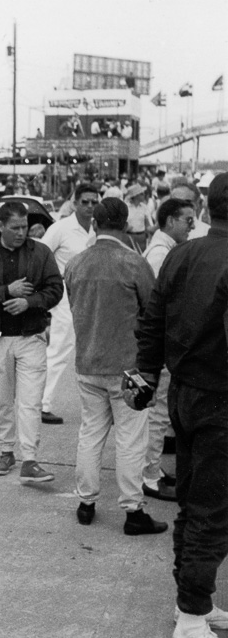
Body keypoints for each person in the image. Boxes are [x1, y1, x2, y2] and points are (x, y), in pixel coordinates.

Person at [128, 172, 228, 638]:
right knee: (214, 510)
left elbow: (151, 320)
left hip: (184, 395)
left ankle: (193, 603)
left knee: (193, 502)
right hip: (220, 402)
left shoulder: (182, 253)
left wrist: (147, 374)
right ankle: (190, 618)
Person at [64, 198, 166, 535]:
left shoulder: (76, 263)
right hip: (128, 367)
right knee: (130, 440)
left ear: (94, 223)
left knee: (91, 435)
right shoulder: (133, 263)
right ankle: (132, 510)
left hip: (87, 362)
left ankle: (86, 502)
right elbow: (153, 313)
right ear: (124, 224)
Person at [0, 199, 63, 482]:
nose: (22, 232)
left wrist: (29, 302)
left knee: (30, 402)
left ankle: (30, 460)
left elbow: (56, 289)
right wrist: (6, 291)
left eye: (25, 227)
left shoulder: (40, 252)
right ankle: (7, 451)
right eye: (15, 227)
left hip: (31, 336)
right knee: (3, 400)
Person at [139, 197, 196, 502]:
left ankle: (153, 469)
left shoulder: (165, 249)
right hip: (162, 346)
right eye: (188, 220)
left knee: (159, 414)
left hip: (161, 344)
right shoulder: (161, 254)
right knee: (158, 414)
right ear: (171, 221)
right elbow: (163, 306)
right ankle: (148, 476)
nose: (192, 226)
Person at [39, 182, 98, 425]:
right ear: (74, 203)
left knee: (92, 350)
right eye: (85, 202)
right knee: (60, 349)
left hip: (91, 296)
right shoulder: (61, 228)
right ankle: (42, 404)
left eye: (94, 202)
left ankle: (98, 408)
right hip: (65, 295)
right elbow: (41, 255)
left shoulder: (97, 229)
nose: (90, 206)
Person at [124, 183, 153, 253]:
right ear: (136, 196)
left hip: (141, 238)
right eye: (142, 194)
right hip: (129, 237)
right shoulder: (126, 207)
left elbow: (148, 225)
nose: (144, 195)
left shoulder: (144, 207)